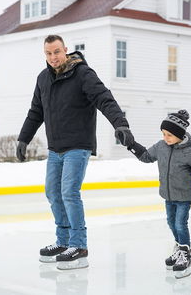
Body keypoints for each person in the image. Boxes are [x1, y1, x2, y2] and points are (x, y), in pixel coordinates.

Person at [16, 35, 134, 270]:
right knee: (53, 192)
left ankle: (79, 246)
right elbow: (35, 111)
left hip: (78, 145)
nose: (53, 58)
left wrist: (120, 124)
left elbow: (105, 99)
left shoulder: (83, 74)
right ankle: (63, 242)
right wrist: (23, 138)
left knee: (69, 192)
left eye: (57, 52)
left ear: (66, 50)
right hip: (55, 148)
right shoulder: (43, 79)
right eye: (48, 54)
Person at [127, 110, 191, 279]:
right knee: (171, 223)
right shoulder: (161, 146)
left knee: (180, 224)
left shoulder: (190, 151)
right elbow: (145, 156)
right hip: (168, 195)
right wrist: (131, 145)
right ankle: (180, 248)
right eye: (164, 134)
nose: (166, 137)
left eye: (170, 135)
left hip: (184, 196)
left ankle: (186, 253)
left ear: (180, 135)